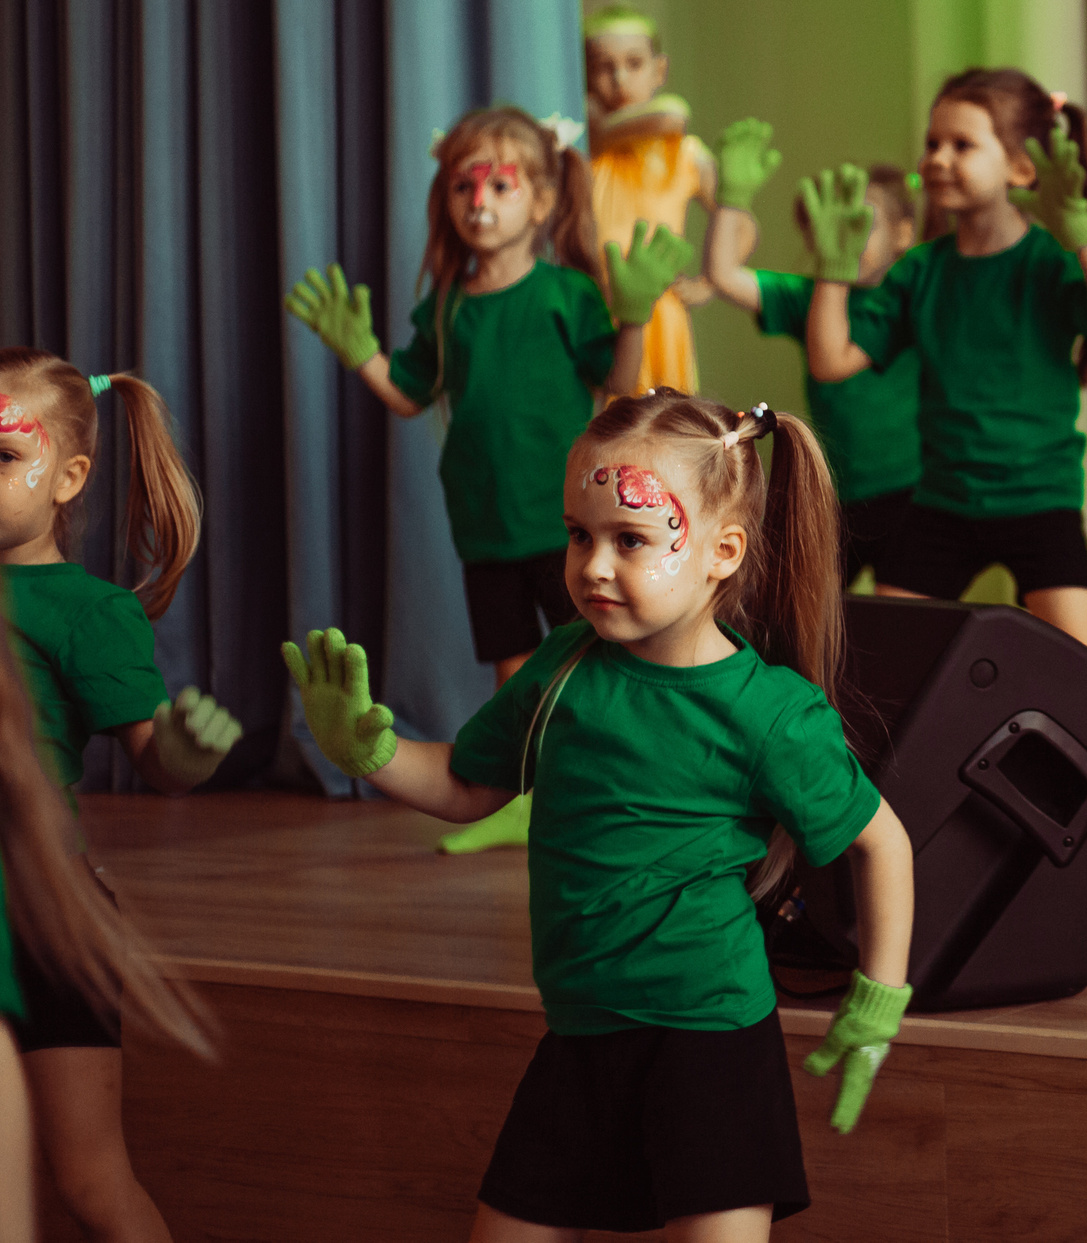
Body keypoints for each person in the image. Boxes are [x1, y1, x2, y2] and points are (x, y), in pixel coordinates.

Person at [285, 391, 916, 1241]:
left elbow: (882, 843)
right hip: (579, 1037)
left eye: (631, 539)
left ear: (721, 552)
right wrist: (371, 753)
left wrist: (877, 1002)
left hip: (710, 1045)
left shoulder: (770, 712)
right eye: (579, 534)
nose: (592, 565)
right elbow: (469, 785)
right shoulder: (561, 668)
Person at [286, 103, 691, 854]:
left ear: (540, 200)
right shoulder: (444, 308)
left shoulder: (567, 295)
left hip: (569, 521)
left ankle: (622, 784)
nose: (479, 202)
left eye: (501, 186)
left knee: (598, 653)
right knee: (514, 668)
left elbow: (619, 383)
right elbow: (410, 393)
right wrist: (364, 354)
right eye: (464, 187)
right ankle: (523, 794)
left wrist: (632, 315)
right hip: (482, 520)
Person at [0, 353, 237, 1242]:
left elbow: (157, 762)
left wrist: (177, 753)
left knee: (91, 1178)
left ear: (68, 476)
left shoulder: (87, 610)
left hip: (45, 915)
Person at [802, 70, 1087, 657]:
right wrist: (834, 272)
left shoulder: (1048, 260)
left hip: (1041, 501)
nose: (937, 158)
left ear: (1020, 168)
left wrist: (1083, 234)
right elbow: (831, 361)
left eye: (962, 146)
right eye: (933, 143)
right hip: (943, 504)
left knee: (1086, 673)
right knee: (890, 660)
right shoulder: (921, 270)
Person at [703, 124, 922, 587]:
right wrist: (733, 196)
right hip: (836, 493)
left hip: (913, 493)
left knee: (901, 623)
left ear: (905, 234)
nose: (849, 236)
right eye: (834, 223)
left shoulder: (910, 295)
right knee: (807, 615)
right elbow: (723, 275)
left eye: (863, 223)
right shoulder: (808, 296)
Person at [583, 4, 721, 393]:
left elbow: (735, 217)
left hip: (662, 320)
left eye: (634, 64)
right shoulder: (585, 152)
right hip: (598, 314)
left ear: (659, 71)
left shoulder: (685, 153)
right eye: (603, 67)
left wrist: (711, 280)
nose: (619, 78)